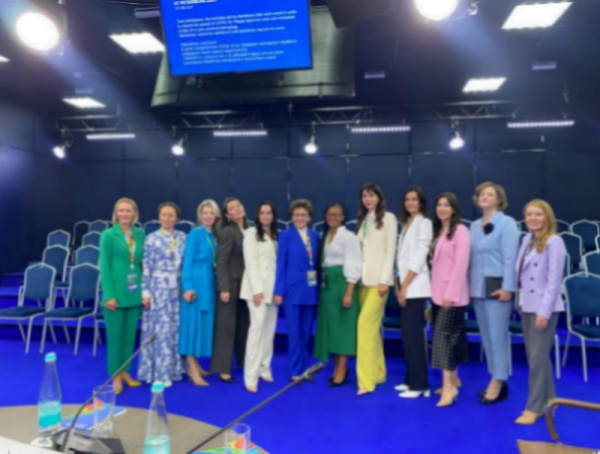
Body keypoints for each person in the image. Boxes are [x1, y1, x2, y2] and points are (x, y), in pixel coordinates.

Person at [514, 200, 566, 424]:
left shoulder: (555, 242)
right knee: (537, 357)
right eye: (529, 214)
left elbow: (554, 282)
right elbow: (520, 275)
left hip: (544, 308)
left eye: (538, 214)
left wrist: (544, 312)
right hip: (527, 305)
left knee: (536, 360)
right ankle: (549, 400)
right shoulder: (527, 239)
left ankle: (533, 408)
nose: (533, 218)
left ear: (547, 217)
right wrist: (519, 301)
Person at [470, 182, 520, 404]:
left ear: (499, 199)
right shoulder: (474, 226)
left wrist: (509, 287)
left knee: (497, 337)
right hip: (478, 287)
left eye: (490, 194)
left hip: (498, 285)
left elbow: (511, 259)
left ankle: (498, 380)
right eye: (482, 194)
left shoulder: (507, 223)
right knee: (487, 337)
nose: (485, 197)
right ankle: (496, 377)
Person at [355, 183, 398, 396]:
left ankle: (366, 382)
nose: (368, 199)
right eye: (365, 196)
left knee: (364, 327)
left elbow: (390, 251)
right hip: (363, 283)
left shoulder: (388, 218)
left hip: (378, 283)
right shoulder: (363, 220)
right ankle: (379, 373)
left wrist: (384, 280)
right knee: (372, 330)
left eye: (372, 195)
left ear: (379, 198)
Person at [138, 202, 186, 387]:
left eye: (170, 215)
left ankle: (174, 369)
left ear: (177, 218)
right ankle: (160, 372)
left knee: (175, 329)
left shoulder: (182, 237)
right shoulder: (151, 239)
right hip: (158, 289)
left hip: (177, 288)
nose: (167, 218)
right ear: (159, 217)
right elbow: (146, 267)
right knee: (161, 330)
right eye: (163, 215)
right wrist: (145, 292)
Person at [99, 197, 145, 395]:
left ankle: (126, 371)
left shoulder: (140, 234)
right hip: (115, 294)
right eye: (121, 210)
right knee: (115, 338)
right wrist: (109, 294)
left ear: (134, 213)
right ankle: (115, 376)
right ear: (116, 214)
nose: (125, 214)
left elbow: (141, 263)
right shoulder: (109, 235)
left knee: (128, 337)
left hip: (133, 293)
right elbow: (105, 266)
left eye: (128, 211)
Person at [313, 204, 362, 386]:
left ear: (343, 217)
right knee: (331, 329)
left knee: (343, 329)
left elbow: (354, 263)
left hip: (343, 285)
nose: (332, 217)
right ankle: (337, 367)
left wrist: (349, 293)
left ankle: (342, 369)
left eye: (336, 214)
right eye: (329, 214)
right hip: (327, 287)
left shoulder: (349, 237)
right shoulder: (324, 236)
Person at [430, 193, 470, 407]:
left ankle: (448, 388)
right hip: (437, 293)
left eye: (446, 205)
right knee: (451, 338)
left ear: (454, 209)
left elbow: (461, 264)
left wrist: (450, 294)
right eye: (439, 204)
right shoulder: (439, 231)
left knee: (443, 339)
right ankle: (454, 378)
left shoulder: (461, 230)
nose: (442, 208)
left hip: (451, 296)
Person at [273, 199, 319, 381]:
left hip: (310, 289)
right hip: (292, 290)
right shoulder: (285, 235)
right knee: (294, 333)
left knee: (306, 333)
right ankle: (295, 371)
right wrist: (278, 291)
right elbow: (281, 264)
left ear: (309, 217)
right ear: (292, 217)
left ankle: (305, 367)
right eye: (296, 215)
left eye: (303, 215)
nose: (300, 218)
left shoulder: (315, 236)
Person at [394, 186, 433, 399]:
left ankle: (420, 385)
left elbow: (419, 256)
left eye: (414, 199)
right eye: (407, 199)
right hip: (406, 286)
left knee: (414, 339)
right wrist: (399, 285)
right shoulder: (407, 224)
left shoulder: (424, 223)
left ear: (421, 202)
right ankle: (411, 380)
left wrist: (405, 285)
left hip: (415, 288)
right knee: (408, 338)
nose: (410, 202)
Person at [179, 199, 220, 386]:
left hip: (209, 281)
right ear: (200, 215)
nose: (208, 216)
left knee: (202, 323)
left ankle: (195, 362)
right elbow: (187, 261)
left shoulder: (215, 234)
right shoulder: (195, 234)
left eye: (211, 213)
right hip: (195, 279)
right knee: (192, 323)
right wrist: (187, 287)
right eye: (205, 213)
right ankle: (191, 367)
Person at [240, 201, 279, 392]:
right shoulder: (250, 233)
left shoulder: (277, 235)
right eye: (262, 212)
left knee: (269, 330)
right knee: (256, 331)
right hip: (256, 291)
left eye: (269, 212)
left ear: (273, 215)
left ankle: (264, 368)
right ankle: (251, 376)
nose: (265, 216)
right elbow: (251, 263)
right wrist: (257, 290)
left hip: (273, 290)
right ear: (257, 215)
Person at [211, 197, 250, 383]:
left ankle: (243, 361)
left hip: (246, 284)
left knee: (244, 325)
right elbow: (221, 261)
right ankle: (223, 368)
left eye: (239, 205)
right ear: (227, 215)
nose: (237, 209)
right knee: (225, 327)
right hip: (231, 284)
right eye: (232, 208)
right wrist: (224, 288)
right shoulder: (228, 231)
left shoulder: (249, 230)